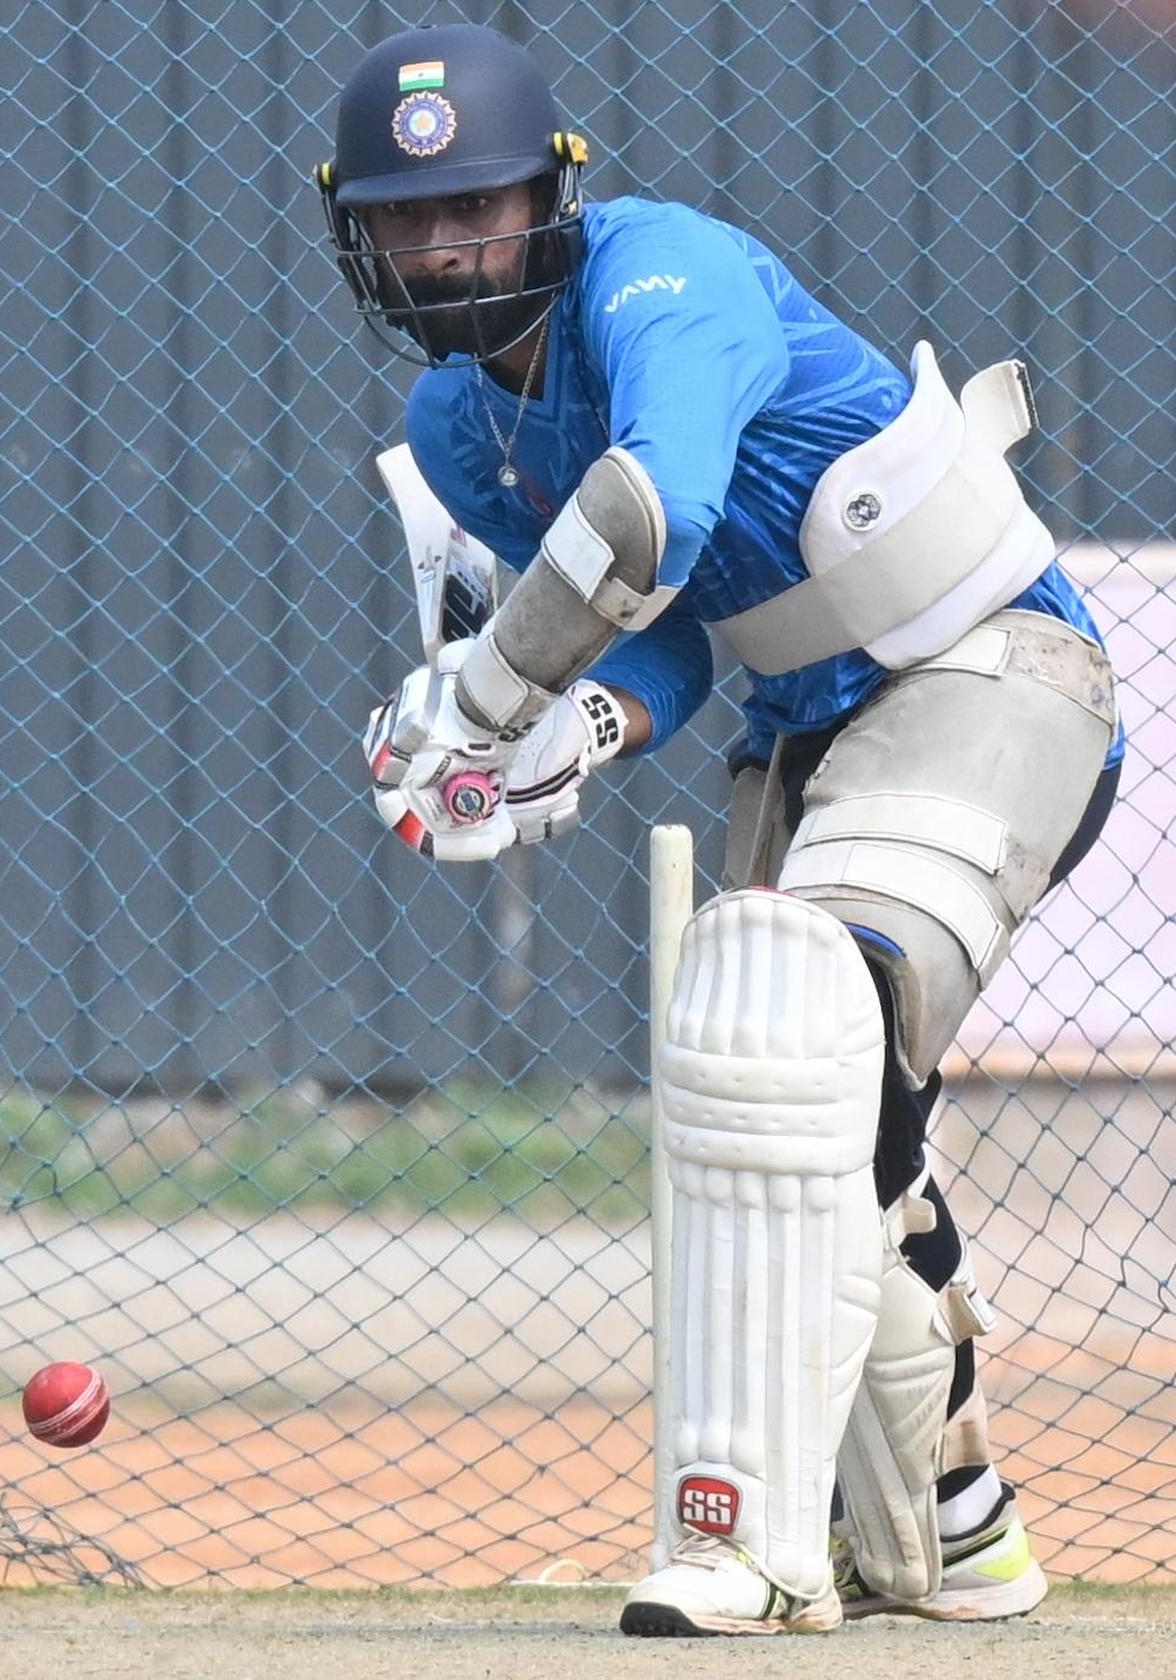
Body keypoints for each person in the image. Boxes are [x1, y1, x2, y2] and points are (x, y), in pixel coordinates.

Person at [316, 21, 1123, 1638]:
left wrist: (473, 703)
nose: (438, 246)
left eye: (470, 206)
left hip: (988, 665)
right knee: (796, 1102)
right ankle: (950, 1531)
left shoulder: (660, 274)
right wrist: (580, 731)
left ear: (552, 194)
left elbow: (651, 512)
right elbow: (668, 620)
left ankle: (745, 1546)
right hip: (805, 726)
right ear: (360, 235)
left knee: (799, 1019)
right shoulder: (465, 425)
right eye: (403, 219)